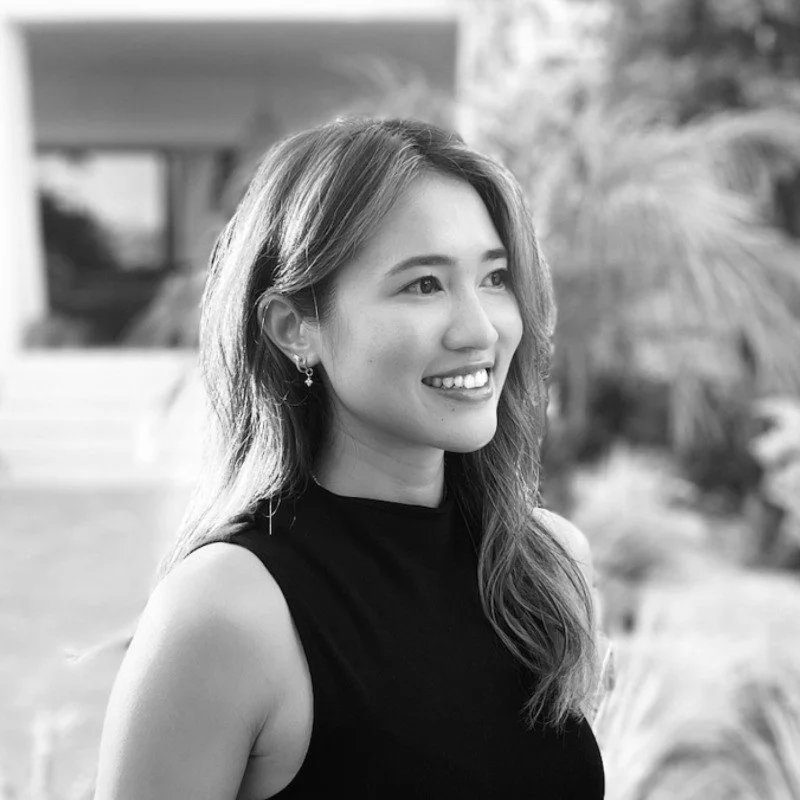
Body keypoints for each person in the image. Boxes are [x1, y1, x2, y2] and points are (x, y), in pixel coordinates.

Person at [93, 117, 606, 799]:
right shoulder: (225, 613)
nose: (480, 329)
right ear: (294, 328)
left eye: (494, 277)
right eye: (424, 285)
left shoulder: (547, 568)